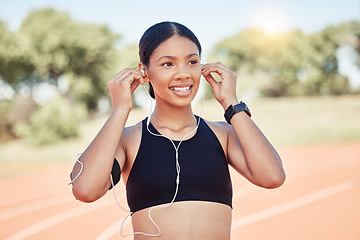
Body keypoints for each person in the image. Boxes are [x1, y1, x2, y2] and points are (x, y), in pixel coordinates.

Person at [70, 21, 285, 240]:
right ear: (144, 71)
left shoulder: (223, 135)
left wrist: (231, 102)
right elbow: (85, 190)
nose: (183, 73)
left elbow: (272, 177)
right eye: (167, 64)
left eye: (192, 61)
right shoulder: (128, 141)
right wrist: (120, 109)